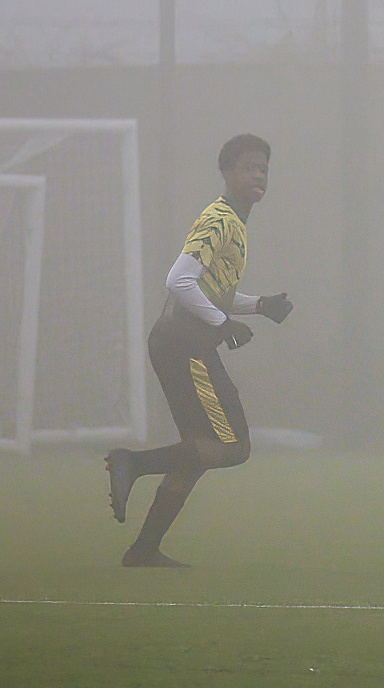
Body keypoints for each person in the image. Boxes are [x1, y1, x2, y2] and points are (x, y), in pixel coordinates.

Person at [104, 133, 293, 567]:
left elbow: (209, 290)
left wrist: (258, 306)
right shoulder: (219, 219)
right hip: (183, 343)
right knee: (234, 446)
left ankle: (144, 550)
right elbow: (178, 281)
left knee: (202, 447)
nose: (258, 175)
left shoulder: (235, 223)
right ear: (227, 172)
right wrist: (222, 324)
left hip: (181, 341)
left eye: (263, 169)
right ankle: (132, 463)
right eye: (249, 167)